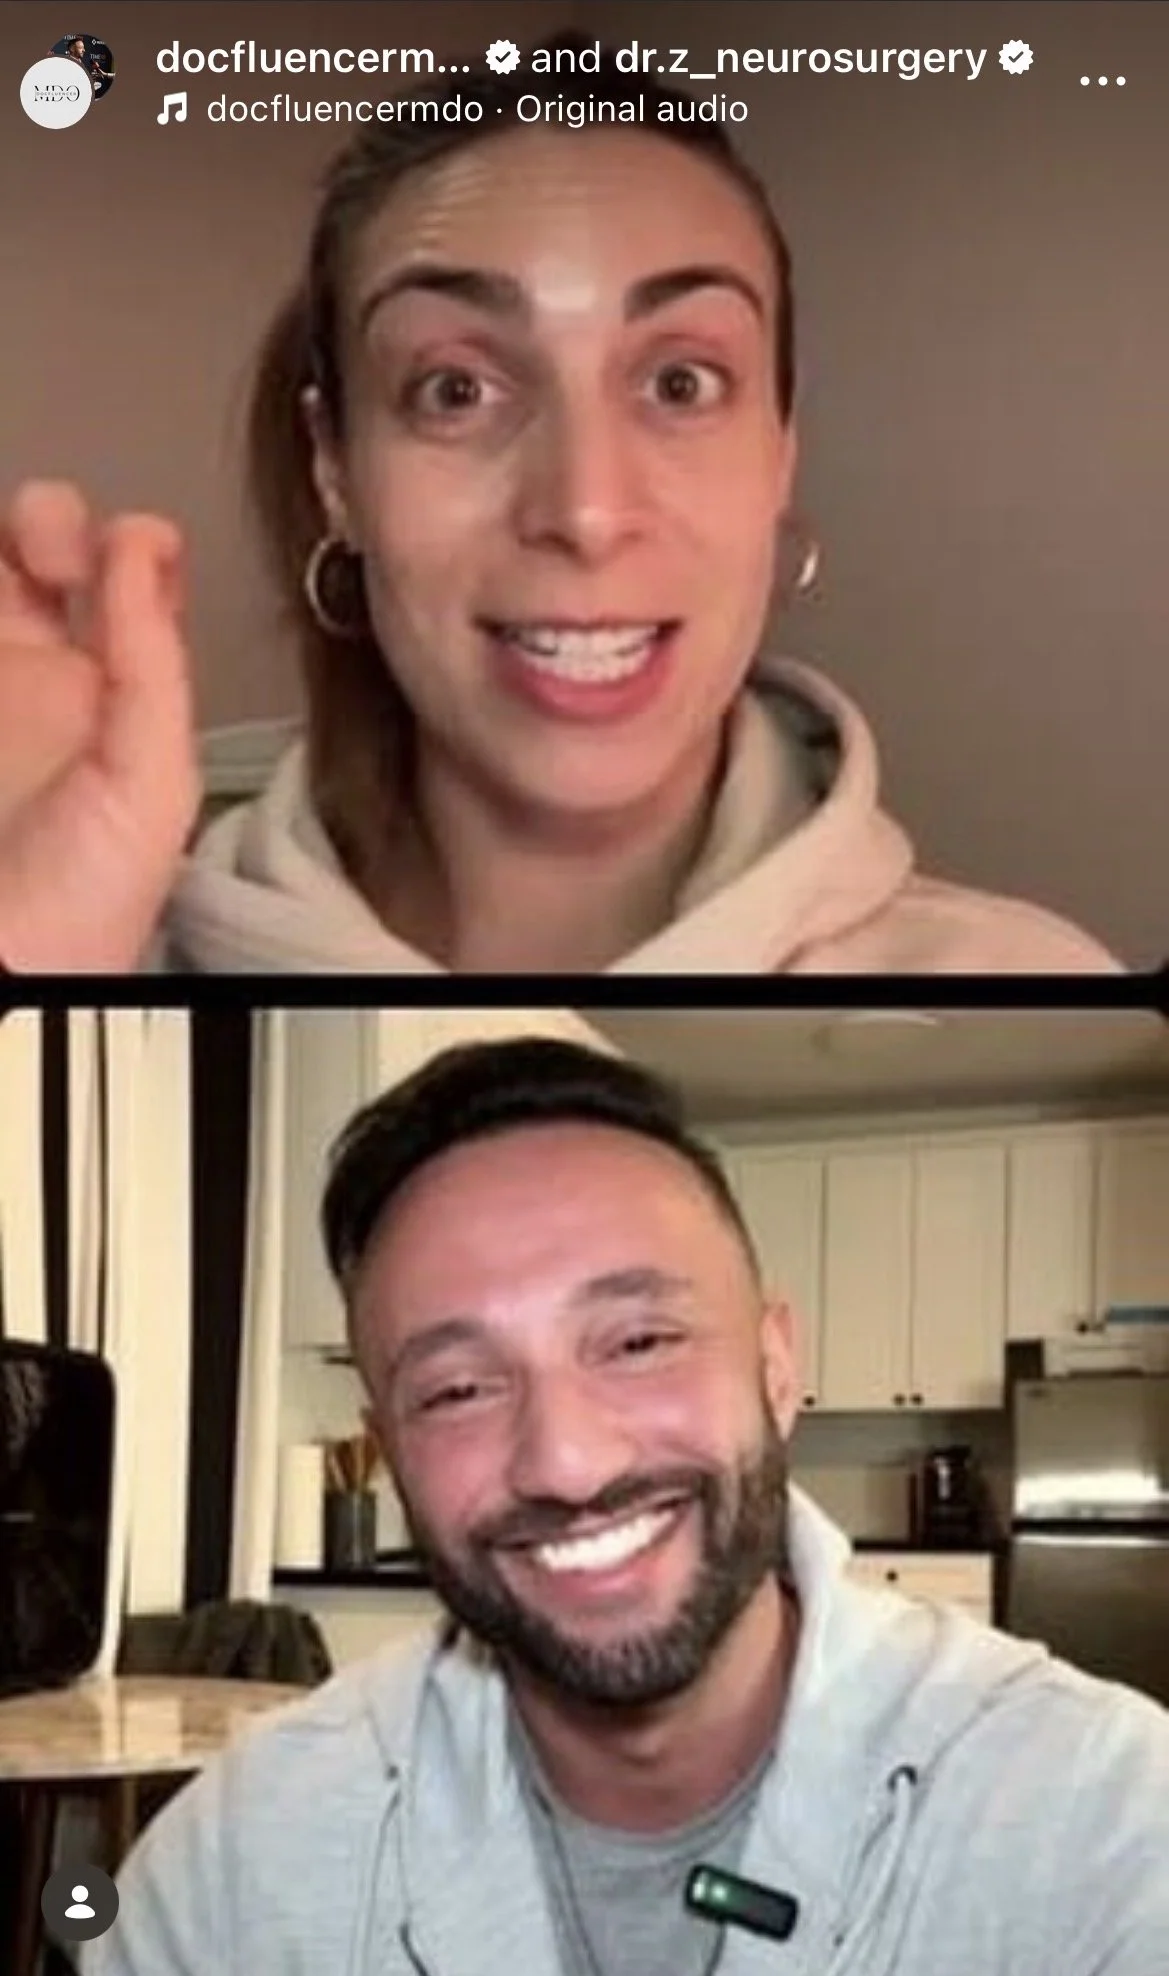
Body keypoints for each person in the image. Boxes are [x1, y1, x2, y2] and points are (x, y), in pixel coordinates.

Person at [0, 34, 1120, 974]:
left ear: (779, 452)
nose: (585, 511)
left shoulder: (1015, 973)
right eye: (456, 390)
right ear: (333, 468)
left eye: (679, 383)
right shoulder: (104, 950)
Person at [84, 1037, 1169, 1975]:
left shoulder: (1104, 1815)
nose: (563, 1459)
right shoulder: (234, 1863)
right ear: (386, 1440)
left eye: (639, 1340)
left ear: (776, 1363)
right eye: (457, 1388)